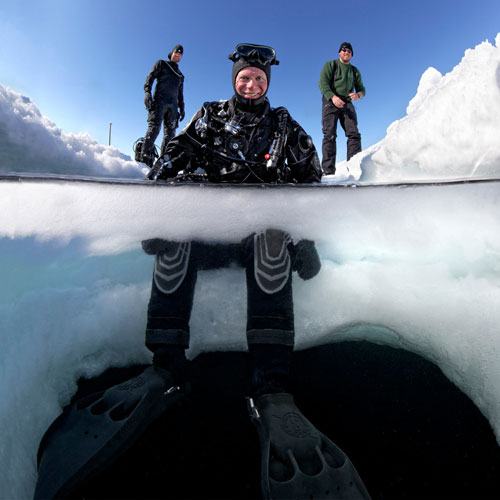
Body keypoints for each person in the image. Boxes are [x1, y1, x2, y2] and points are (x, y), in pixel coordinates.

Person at [318, 41, 366, 175]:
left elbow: (362, 88)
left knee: (354, 135)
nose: (347, 52)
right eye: (344, 50)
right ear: (339, 52)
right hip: (330, 100)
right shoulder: (331, 65)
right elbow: (322, 83)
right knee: (329, 135)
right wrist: (333, 97)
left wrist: (358, 95)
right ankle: (328, 172)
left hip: (347, 102)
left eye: (350, 51)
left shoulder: (354, 71)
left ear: (352, 55)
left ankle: (354, 169)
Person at [139, 44, 185, 167]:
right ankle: (144, 160)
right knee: (154, 128)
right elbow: (151, 77)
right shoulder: (162, 64)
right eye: (176, 52)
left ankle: (162, 164)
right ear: (172, 53)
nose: (178, 55)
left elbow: (180, 93)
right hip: (160, 101)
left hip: (173, 106)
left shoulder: (180, 75)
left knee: (170, 135)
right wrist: (147, 92)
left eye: (180, 54)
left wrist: (182, 107)